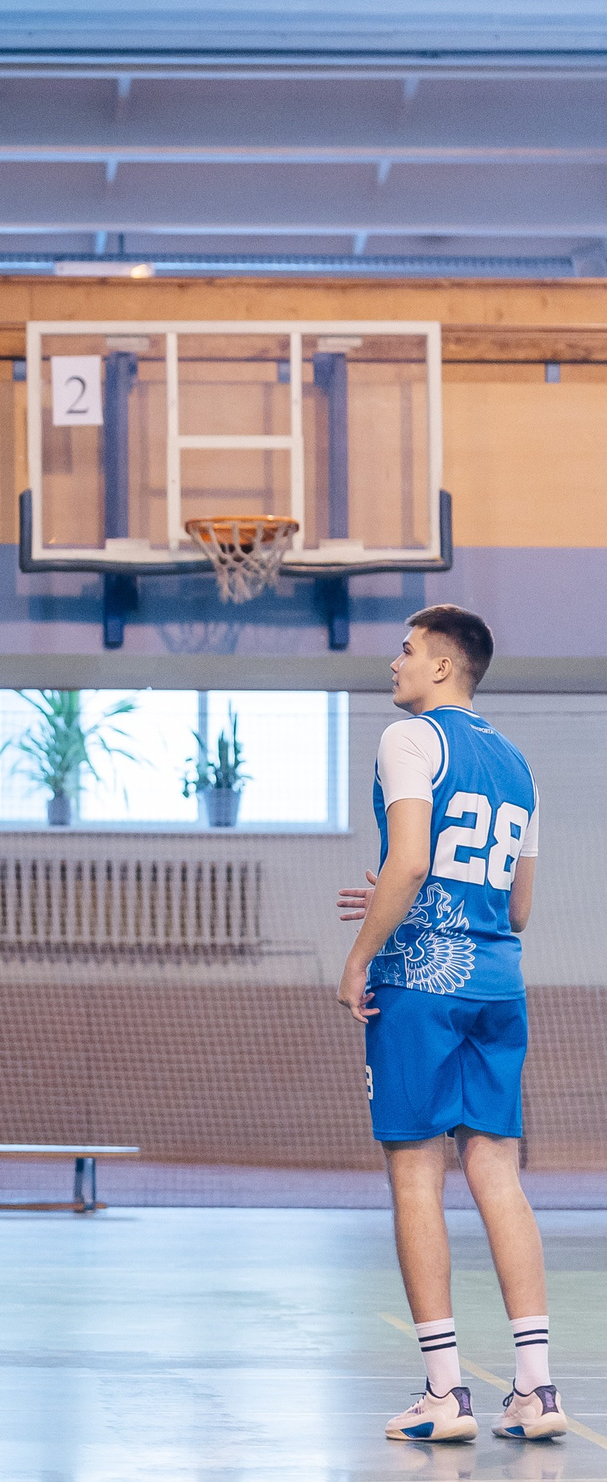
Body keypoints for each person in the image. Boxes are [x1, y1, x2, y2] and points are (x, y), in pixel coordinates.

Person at [337, 605, 566, 1444]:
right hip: (499, 983)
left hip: (421, 984)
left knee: (415, 1177)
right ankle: (536, 1391)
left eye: (405, 650)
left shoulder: (410, 739)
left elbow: (409, 861)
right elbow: (517, 906)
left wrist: (360, 955)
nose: (394, 661)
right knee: (498, 1175)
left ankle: (445, 1393)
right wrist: (421, 894)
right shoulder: (519, 765)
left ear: (441, 666)